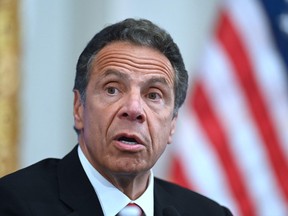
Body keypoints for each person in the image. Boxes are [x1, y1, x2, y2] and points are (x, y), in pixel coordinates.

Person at [0, 18, 233, 216]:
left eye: (153, 95)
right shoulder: (13, 203)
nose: (133, 109)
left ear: (172, 124)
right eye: (112, 89)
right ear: (79, 108)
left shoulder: (209, 213)